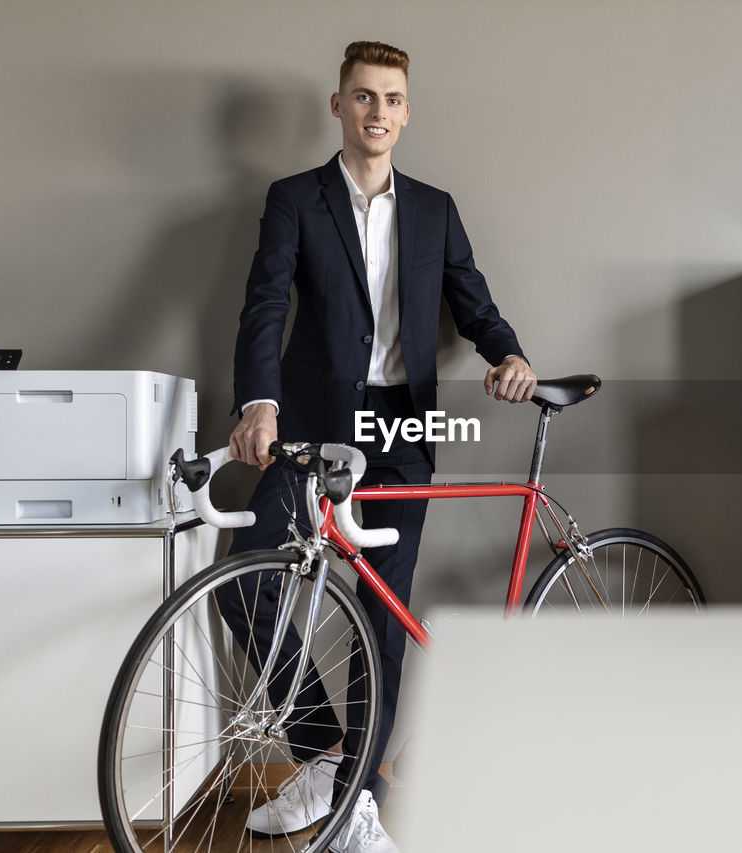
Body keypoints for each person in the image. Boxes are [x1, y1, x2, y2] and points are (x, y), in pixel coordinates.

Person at [224, 40, 536, 853]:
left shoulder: (434, 208)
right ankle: (327, 753)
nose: (377, 113)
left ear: (407, 110)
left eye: (392, 99)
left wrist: (508, 351)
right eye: (363, 97)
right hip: (312, 427)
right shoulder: (294, 199)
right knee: (243, 578)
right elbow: (264, 306)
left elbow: (473, 301)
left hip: (402, 429)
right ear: (338, 106)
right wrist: (259, 403)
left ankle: (356, 802)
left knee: (382, 615)